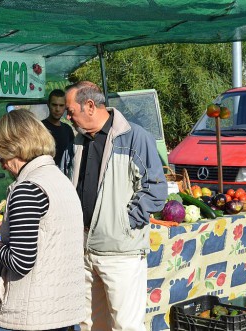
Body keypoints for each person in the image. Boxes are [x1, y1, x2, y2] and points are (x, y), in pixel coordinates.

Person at [0, 109, 85, 331]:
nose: (1, 165)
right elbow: (49, 234)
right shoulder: (60, 180)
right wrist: (10, 227)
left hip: (30, 316)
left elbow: (20, 261)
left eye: (0, 156)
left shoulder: (27, 189)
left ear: (14, 147)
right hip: (65, 311)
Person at [65, 81, 167, 331]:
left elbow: (155, 190)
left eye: (71, 110)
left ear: (89, 106)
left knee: (125, 326)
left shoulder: (134, 137)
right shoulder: (76, 144)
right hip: (83, 251)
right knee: (89, 324)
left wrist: (123, 224)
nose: (67, 116)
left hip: (121, 253)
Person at [42, 89, 74, 176]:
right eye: (54, 105)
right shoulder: (39, 128)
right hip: (44, 176)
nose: (57, 109)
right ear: (48, 105)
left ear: (65, 107)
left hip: (64, 177)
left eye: (61, 105)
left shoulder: (68, 129)